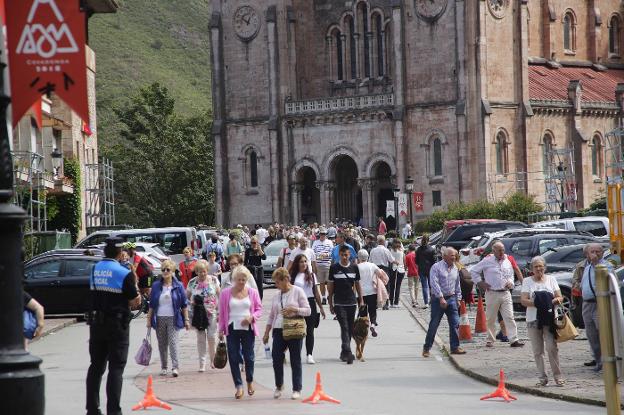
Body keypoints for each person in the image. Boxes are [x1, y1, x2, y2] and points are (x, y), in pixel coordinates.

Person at [86, 237, 141, 415]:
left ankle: (93, 409)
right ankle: (113, 411)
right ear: (120, 253)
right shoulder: (123, 272)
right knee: (116, 368)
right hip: (117, 324)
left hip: (96, 323)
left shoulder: (94, 269)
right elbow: (134, 301)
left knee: (96, 366)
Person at [263, 267, 311, 400]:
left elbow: (308, 311)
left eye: (277, 282)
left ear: (285, 280)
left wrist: (294, 309)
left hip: (294, 328)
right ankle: (279, 385)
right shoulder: (276, 296)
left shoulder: (297, 291)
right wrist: (266, 333)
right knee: (276, 357)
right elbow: (272, 316)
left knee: (295, 359)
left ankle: (297, 388)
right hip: (278, 329)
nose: (276, 285)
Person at [218, 266, 263, 399]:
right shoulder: (226, 293)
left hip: (248, 328)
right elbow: (221, 313)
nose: (241, 282)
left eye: (244, 280)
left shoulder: (252, 292)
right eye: (239, 280)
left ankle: (249, 381)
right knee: (233, 357)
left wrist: (252, 317)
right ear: (234, 280)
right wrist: (221, 329)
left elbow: (259, 309)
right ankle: (239, 385)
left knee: (249, 357)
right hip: (232, 327)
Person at [521, 256, 565, 386]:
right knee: (538, 351)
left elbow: (560, 297)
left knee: (552, 347)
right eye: (536, 266)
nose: (539, 269)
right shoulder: (527, 281)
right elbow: (523, 300)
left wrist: (550, 302)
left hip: (549, 319)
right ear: (532, 269)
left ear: (545, 267)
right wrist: (540, 302)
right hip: (533, 319)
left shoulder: (551, 279)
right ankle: (542, 378)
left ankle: (558, 376)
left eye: (541, 266)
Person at [470, 241, 524, 348]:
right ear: (493, 250)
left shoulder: (507, 260)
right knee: (490, 318)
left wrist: (511, 283)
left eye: (503, 250)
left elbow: (511, 275)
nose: (502, 252)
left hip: (505, 293)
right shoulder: (487, 260)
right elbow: (474, 271)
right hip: (492, 293)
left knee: (509, 317)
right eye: (499, 250)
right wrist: (480, 283)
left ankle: (514, 339)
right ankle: (490, 339)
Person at [571, 243, 613, 371]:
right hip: (587, 304)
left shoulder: (606, 266)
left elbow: (609, 281)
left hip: (600, 303)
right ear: (587, 254)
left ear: (602, 252)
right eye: (592, 251)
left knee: (603, 334)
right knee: (591, 335)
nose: (595, 254)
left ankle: (608, 363)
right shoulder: (587, 267)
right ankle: (599, 361)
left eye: (598, 251)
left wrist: (596, 263)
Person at [147, 259, 189, 377]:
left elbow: (184, 304)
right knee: (162, 344)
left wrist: (186, 319)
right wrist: (149, 319)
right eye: (163, 269)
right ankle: (164, 367)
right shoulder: (156, 286)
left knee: (173, 342)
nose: (165, 272)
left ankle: (175, 367)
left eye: (168, 269)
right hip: (159, 318)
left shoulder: (179, 286)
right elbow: (151, 304)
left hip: (173, 318)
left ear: (172, 271)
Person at [422, 247, 466, 357]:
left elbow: (457, 284)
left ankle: (455, 347)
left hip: (451, 298)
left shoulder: (455, 267)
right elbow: (434, 283)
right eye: (451, 255)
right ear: (444, 256)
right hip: (438, 299)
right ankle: (427, 348)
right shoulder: (436, 267)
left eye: (454, 255)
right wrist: (441, 297)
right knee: (434, 324)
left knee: (455, 323)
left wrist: (459, 298)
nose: (454, 257)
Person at [328, 245, 364, 364]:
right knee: (344, 326)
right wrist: (330, 302)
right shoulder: (334, 268)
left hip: (351, 302)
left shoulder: (354, 267)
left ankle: (344, 352)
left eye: (346, 255)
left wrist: (361, 300)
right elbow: (331, 286)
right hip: (339, 302)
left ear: (350, 255)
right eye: (342, 255)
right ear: (339, 255)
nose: (344, 257)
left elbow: (357, 284)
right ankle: (348, 351)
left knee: (349, 327)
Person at [290, 254, 326, 364]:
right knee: (296, 330)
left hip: (310, 303)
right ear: (297, 263)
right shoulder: (293, 276)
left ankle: (309, 354)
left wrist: (321, 308)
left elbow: (316, 292)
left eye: (305, 261)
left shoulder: (311, 275)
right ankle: (295, 354)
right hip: (297, 303)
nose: (304, 264)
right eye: (301, 262)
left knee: (310, 330)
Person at [186, 260, 220, 371]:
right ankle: (202, 363)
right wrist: (191, 303)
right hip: (198, 314)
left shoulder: (213, 280)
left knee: (211, 336)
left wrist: (219, 311)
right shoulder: (192, 282)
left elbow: (220, 295)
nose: (202, 274)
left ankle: (213, 360)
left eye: (204, 271)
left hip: (211, 313)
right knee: (200, 338)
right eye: (200, 272)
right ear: (196, 271)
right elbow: (186, 298)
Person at [356, 249, 386, 337]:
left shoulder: (357, 267)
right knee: (372, 310)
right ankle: (373, 324)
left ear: (359, 257)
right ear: (367, 257)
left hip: (360, 292)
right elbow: (380, 273)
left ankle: (364, 330)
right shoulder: (372, 265)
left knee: (363, 312)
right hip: (372, 291)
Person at [369, 235, 397, 310]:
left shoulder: (373, 250)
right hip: (384, 269)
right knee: (386, 285)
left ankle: (375, 303)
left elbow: (370, 261)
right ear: (383, 241)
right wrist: (397, 262)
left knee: (375, 285)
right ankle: (385, 304)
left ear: (378, 241)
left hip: (375, 269)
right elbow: (391, 260)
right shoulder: (386, 250)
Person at [312, 228, 334, 305]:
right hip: (319, 264)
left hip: (328, 264)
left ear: (326, 235)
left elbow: (332, 251)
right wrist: (318, 255)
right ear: (319, 235)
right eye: (321, 234)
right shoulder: (315, 242)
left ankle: (329, 295)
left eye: (324, 234)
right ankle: (323, 297)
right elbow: (313, 252)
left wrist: (326, 254)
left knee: (328, 282)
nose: (322, 235)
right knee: (321, 282)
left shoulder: (329, 242)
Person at [415, 235, 435, 308]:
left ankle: (426, 302)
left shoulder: (418, 250)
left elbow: (416, 261)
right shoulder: (432, 249)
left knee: (424, 286)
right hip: (430, 269)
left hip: (421, 269)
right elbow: (434, 261)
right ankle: (432, 301)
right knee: (431, 286)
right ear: (428, 240)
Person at [389, 239, 406, 308]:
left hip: (393, 269)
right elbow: (404, 261)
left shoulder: (390, 251)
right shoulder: (402, 251)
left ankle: (391, 302)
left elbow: (389, 260)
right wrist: (405, 268)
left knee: (392, 286)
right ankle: (396, 302)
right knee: (398, 286)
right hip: (401, 269)